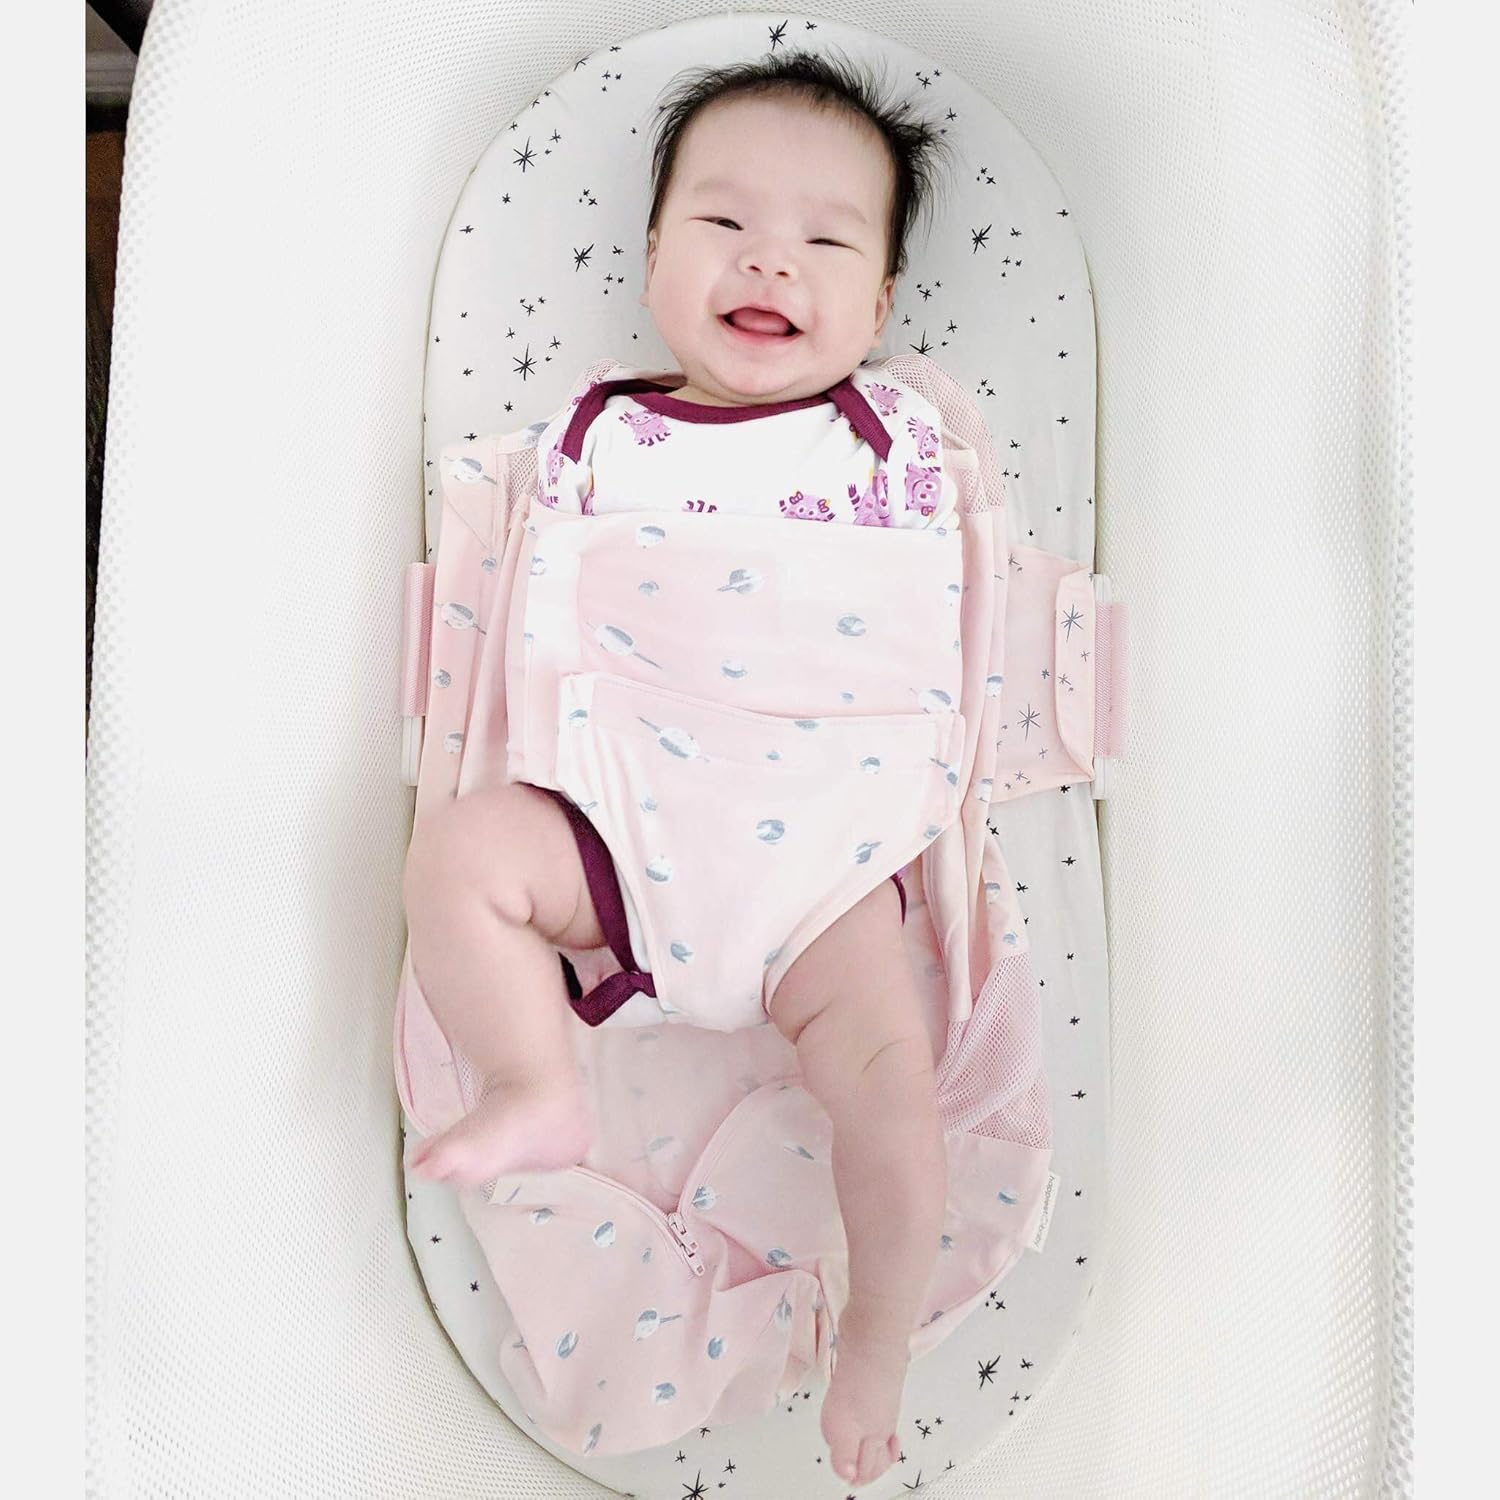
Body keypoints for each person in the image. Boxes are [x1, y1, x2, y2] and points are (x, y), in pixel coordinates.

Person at [403, 48, 958, 1489]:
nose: (771, 258)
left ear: (879, 304)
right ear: (653, 259)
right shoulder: (596, 437)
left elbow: (940, 608)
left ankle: (878, 1336)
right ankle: (536, 1077)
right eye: (723, 223)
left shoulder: (895, 439)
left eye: (828, 240)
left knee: (895, 1094)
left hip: (824, 860)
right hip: (623, 818)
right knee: (461, 853)